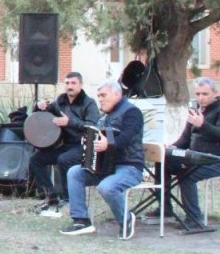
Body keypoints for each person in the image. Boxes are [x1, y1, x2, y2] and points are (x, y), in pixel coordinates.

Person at [59, 79, 145, 236]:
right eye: (98, 96)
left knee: (106, 187)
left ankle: (126, 220)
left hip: (129, 167)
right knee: (74, 172)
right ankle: (81, 221)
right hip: (105, 166)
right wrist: (88, 144)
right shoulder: (104, 117)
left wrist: (108, 144)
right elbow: (97, 138)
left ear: (117, 94)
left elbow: (127, 138)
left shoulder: (132, 112)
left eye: (103, 95)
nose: (100, 99)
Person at [167, 77, 220, 233]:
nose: (201, 98)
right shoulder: (196, 111)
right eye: (197, 94)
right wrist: (173, 146)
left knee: (187, 176)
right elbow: (186, 139)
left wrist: (202, 124)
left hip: (217, 161)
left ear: (215, 93)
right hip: (194, 159)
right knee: (164, 163)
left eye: (205, 94)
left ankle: (194, 219)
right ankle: (165, 208)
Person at [29, 71, 99, 217]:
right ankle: (51, 196)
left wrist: (70, 122)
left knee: (64, 159)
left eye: (73, 83)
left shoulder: (89, 103)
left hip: (84, 145)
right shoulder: (61, 101)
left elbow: (92, 127)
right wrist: (39, 106)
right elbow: (45, 113)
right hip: (65, 145)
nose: (70, 86)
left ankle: (68, 199)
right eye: (67, 83)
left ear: (80, 85)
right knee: (36, 159)